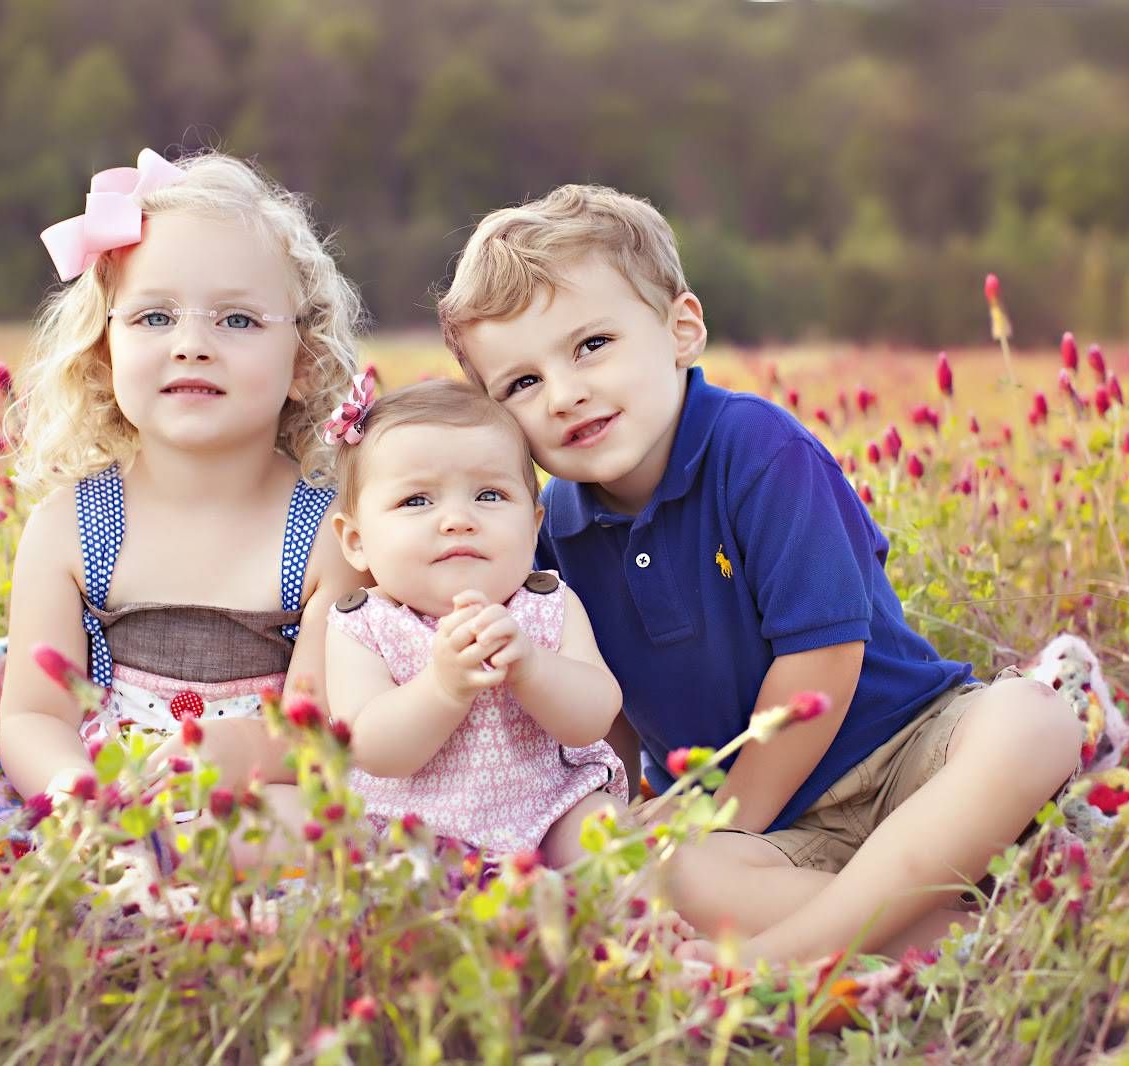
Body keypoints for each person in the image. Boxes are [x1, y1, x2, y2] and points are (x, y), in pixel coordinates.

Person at [435, 184, 1083, 964]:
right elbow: (600, 703)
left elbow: (821, 664)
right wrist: (642, 809)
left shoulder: (758, 449)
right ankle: (967, 937)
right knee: (670, 878)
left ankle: (781, 962)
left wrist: (735, 816)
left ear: (681, 330)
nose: (565, 393)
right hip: (782, 837)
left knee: (1030, 720)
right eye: (522, 384)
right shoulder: (552, 531)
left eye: (591, 346)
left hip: (908, 752)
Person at [0, 148, 368, 867]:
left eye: (237, 320)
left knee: (323, 824)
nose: (192, 344)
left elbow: (319, 728)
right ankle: (110, 866)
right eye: (153, 317)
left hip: (251, 793)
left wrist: (225, 762)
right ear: (105, 356)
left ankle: (163, 870)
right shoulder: (70, 527)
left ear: (302, 362)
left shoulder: (327, 534)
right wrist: (81, 797)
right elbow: (32, 715)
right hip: (95, 795)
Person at [321, 374, 628, 865]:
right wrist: (443, 688)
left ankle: (624, 920)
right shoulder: (364, 626)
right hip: (413, 832)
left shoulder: (545, 605)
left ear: (532, 526)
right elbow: (373, 748)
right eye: (416, 501)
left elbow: (595, 715)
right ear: (356, 541)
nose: (458, 519)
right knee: (392, 885)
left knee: (604, 834)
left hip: (549, 811)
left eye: (489, 495)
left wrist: (531, 667)